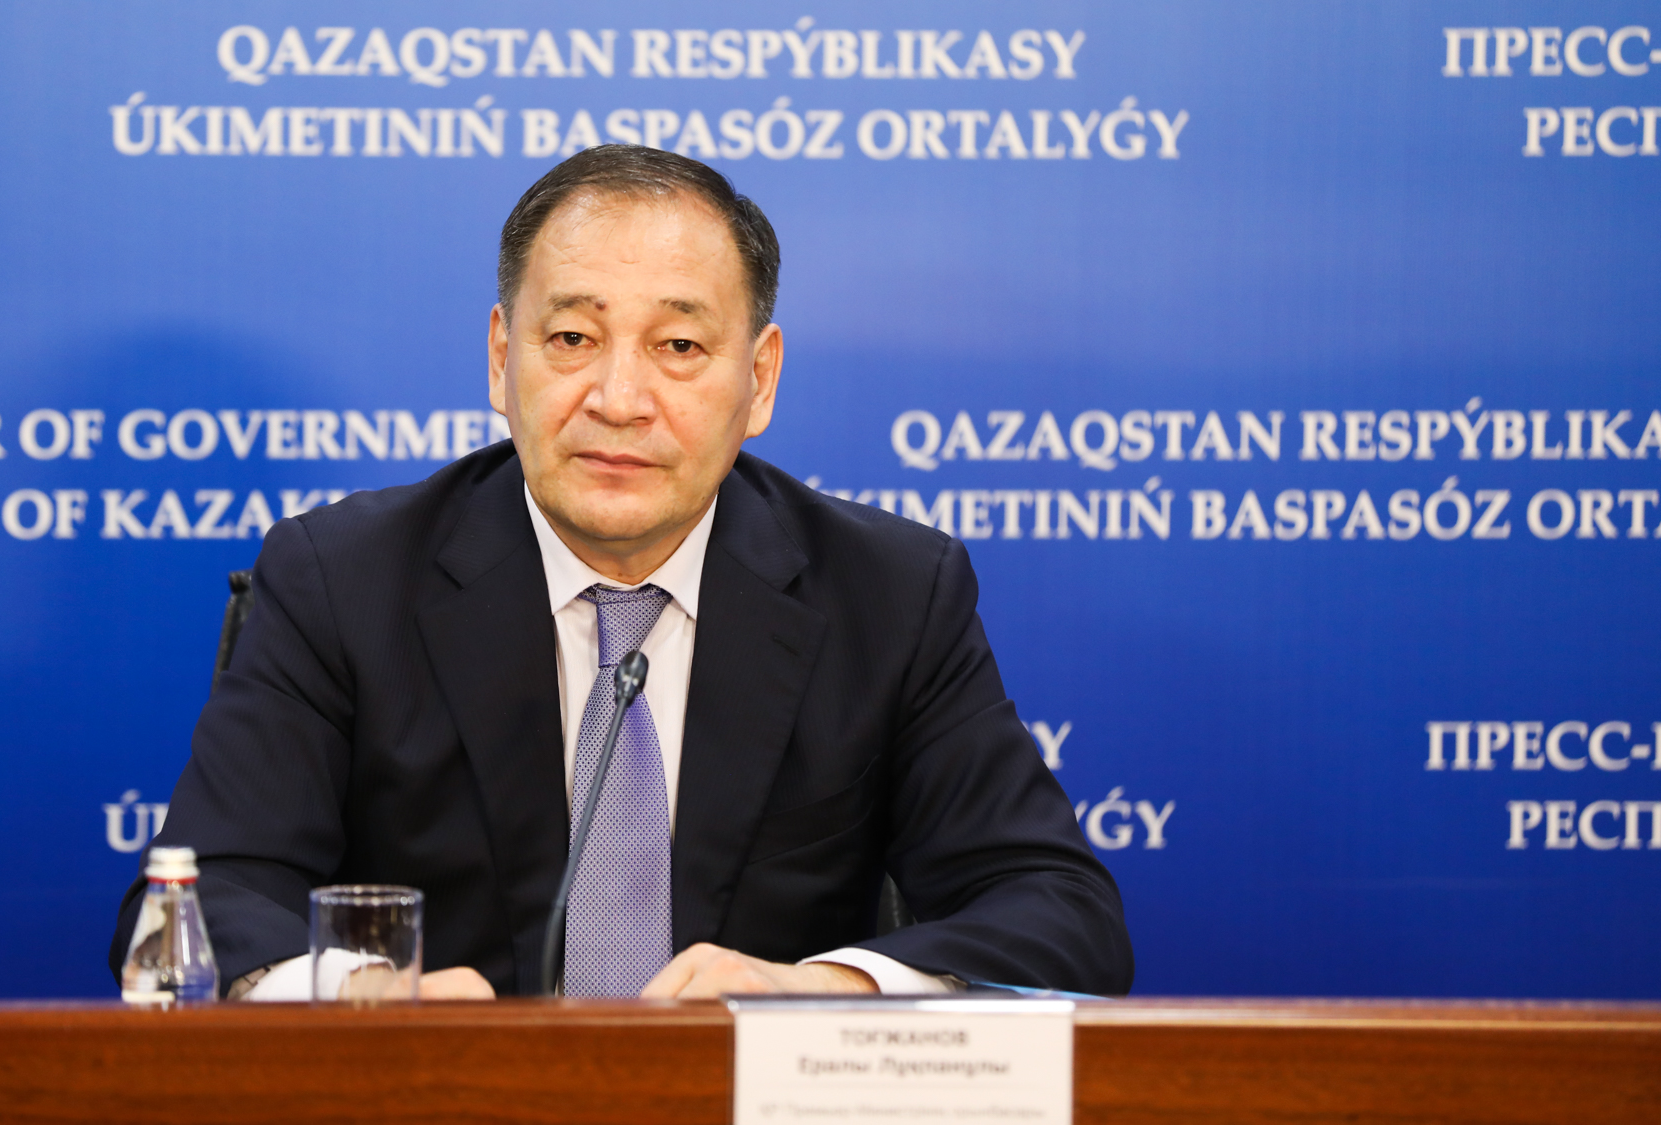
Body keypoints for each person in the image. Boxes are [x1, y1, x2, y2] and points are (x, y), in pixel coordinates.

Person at [110, 145, 1134, 1000]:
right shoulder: (344, 580)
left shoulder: (888, 593)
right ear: (500, 358)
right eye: (572, 337)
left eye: (678, 345)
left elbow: (1060, 911)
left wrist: (827, 989)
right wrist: (360, 995)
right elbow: (195, 907)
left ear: (758, 379)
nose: (619, 397)